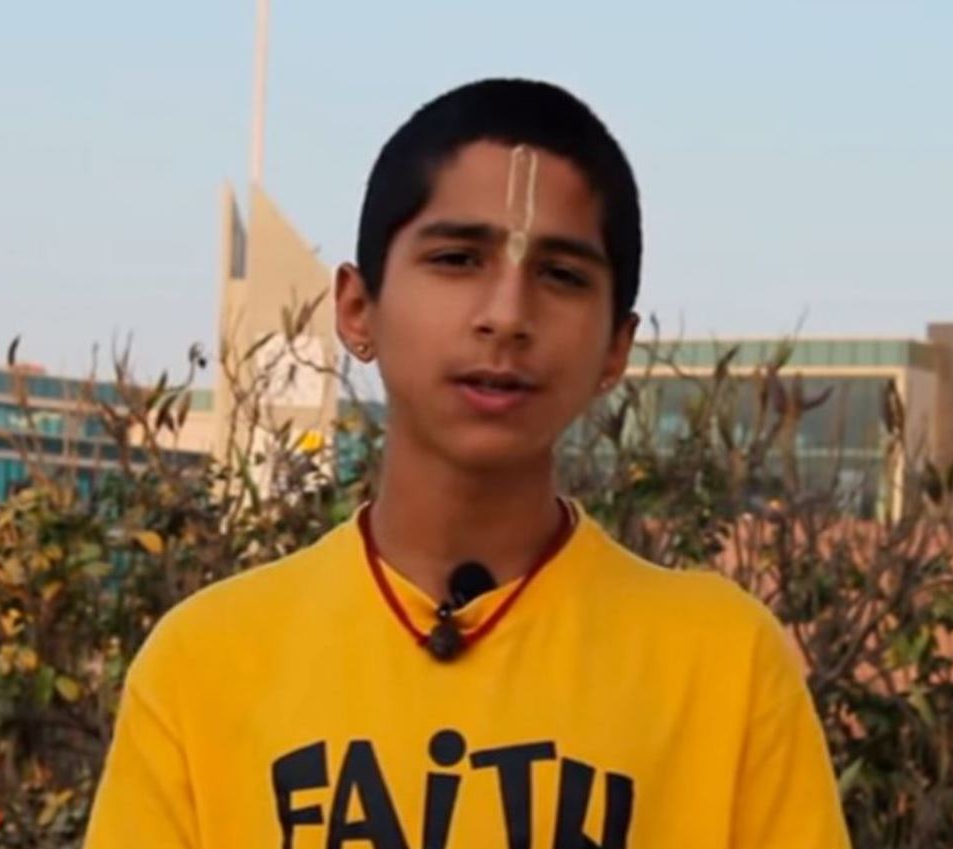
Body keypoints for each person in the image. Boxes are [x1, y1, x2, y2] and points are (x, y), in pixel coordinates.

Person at [84, 78, 850, 849]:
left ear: (615, 346)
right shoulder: (204, 663)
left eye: (560, 275)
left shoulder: (723, 666)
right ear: (356, 307)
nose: (506, 316)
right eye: (456, 259)